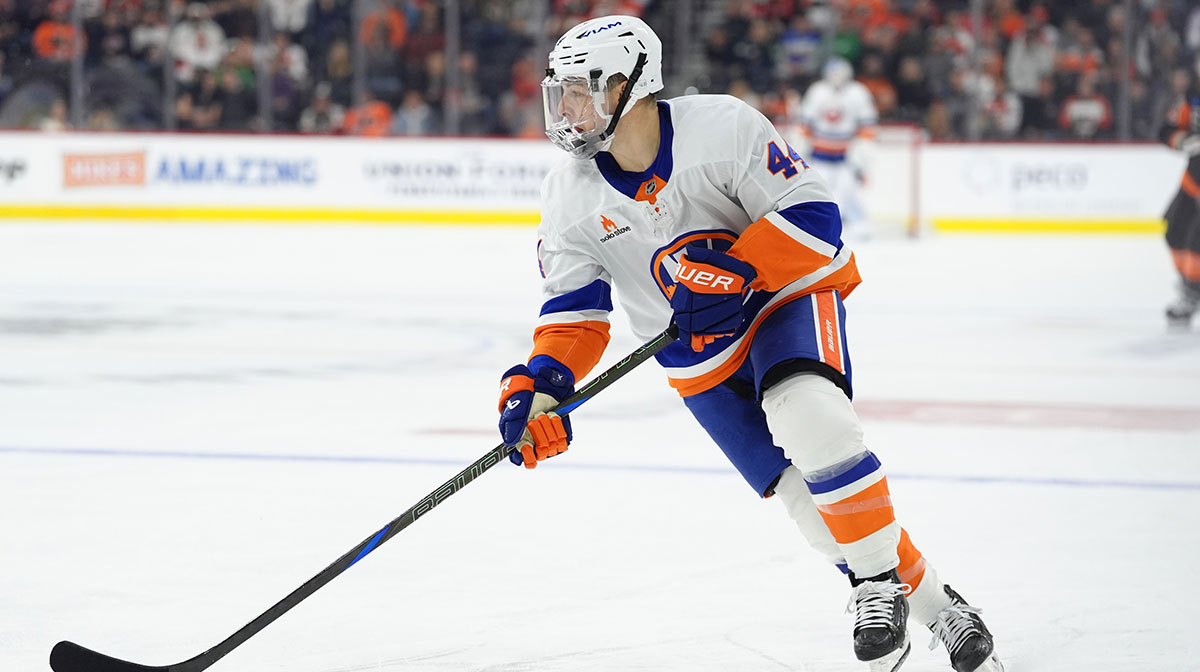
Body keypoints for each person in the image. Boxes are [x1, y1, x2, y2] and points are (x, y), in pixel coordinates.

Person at [495, 15, 1002, 672]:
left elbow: (815, 216)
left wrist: (739, 267)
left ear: (629, 86)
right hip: (692, 356)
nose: (564, 108)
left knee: (811, 419)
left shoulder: (723, 128)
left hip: (779, 301)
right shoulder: (568, 197)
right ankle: (941, 609)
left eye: (579, 90)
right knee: (806, 502)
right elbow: (574, 312)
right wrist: (543, 387)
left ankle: (875, 587)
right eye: (558, 92)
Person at [795, 57, 878, 239]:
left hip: (845, 156)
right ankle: (823, 227)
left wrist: (860, 152)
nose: (837, 78)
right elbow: (805, 124)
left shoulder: (858, 92)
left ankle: (858, 223)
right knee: (821, 192)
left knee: (847, 191)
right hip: (819, 154)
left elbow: (867, 125)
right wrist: (802, 149)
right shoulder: (817, 91)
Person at [1160, 87, 1200, 327]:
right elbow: (1165, 129)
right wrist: (1183, 141)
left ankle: (1192, 294)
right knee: (1174, 233)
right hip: (1192, 183)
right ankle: (1189, 288)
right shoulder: (1194, 95)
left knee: (1197, 248)